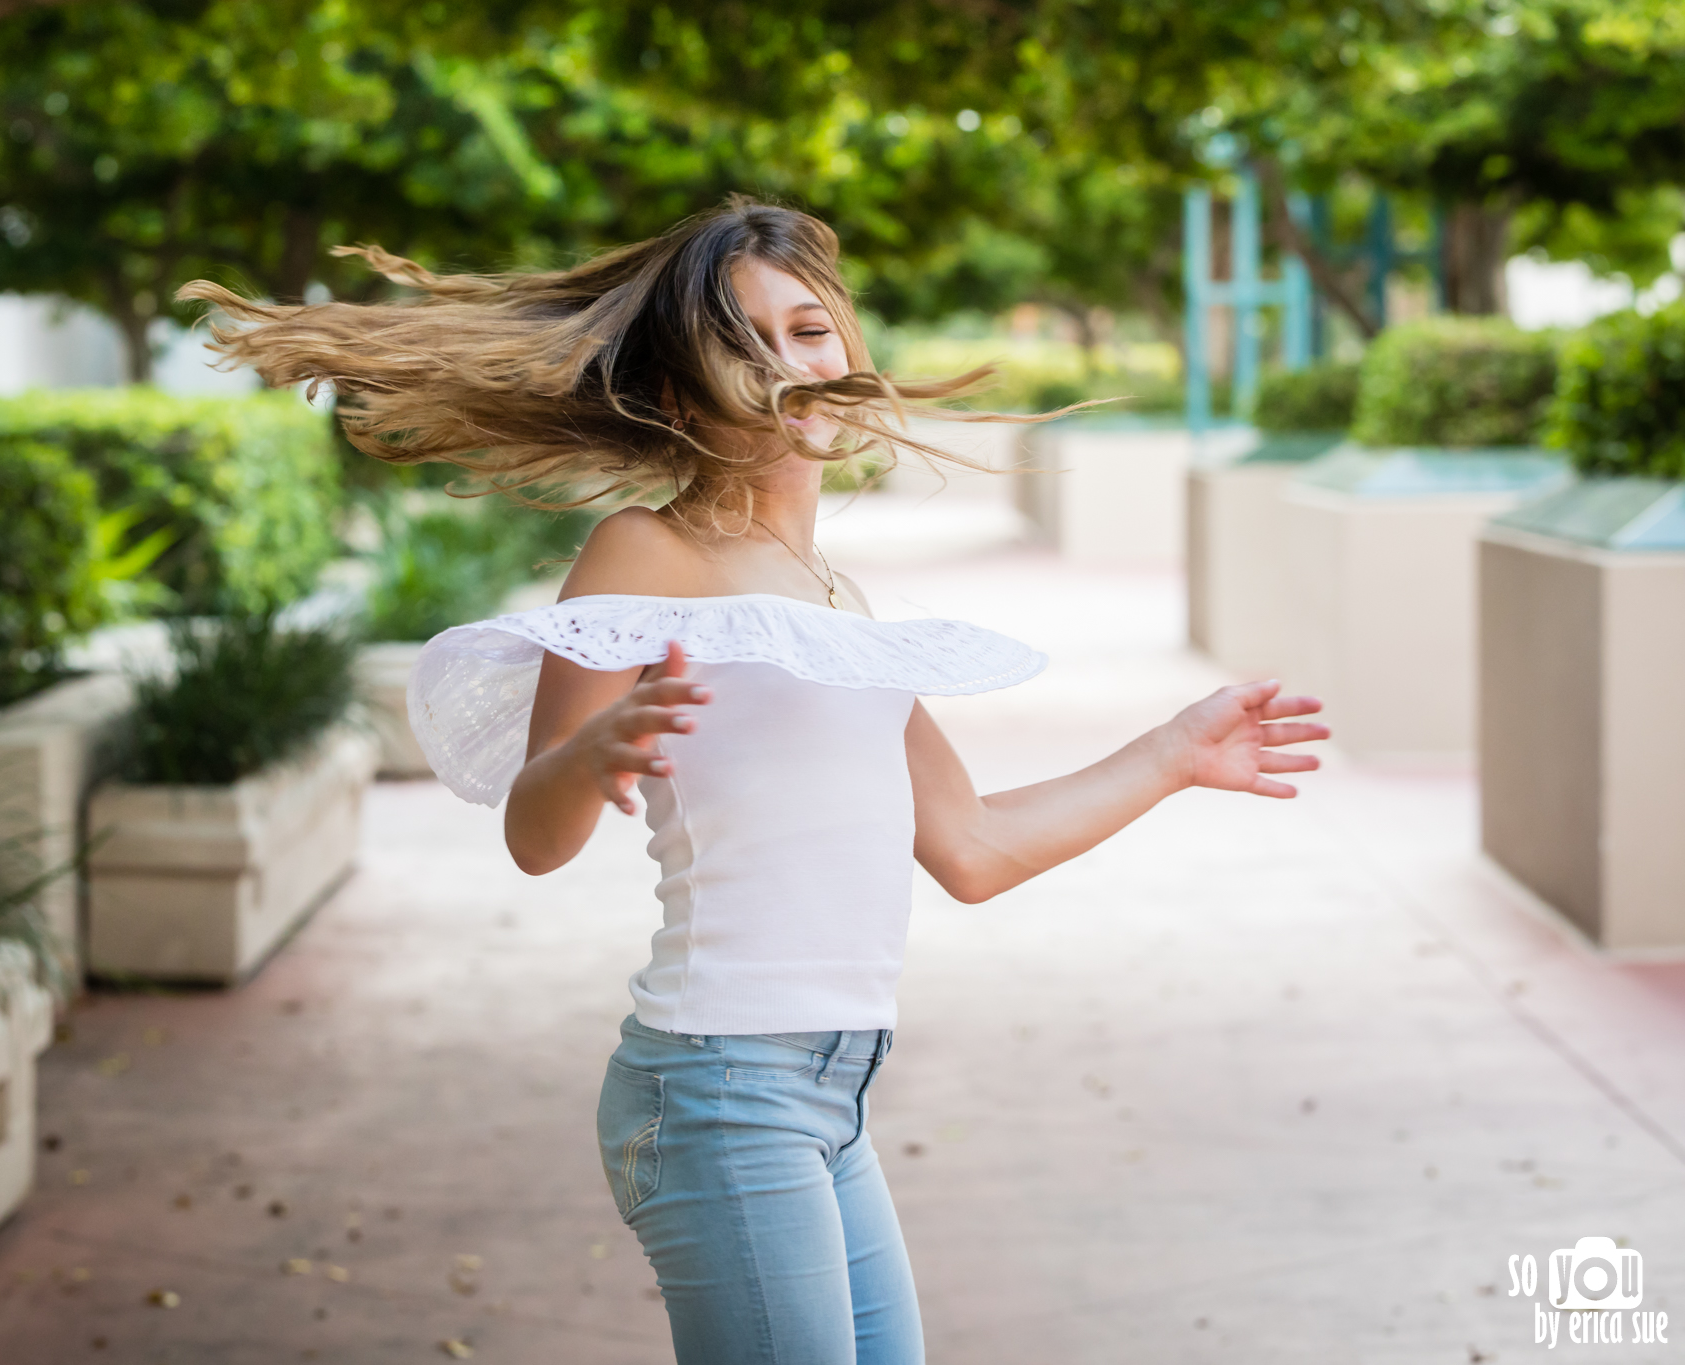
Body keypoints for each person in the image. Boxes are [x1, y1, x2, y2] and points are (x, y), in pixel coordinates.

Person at [181, 197, 1326, 1365]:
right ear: (680, 393)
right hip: (719, 1091)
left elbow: (970, 849)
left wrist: (1173, 756)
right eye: (743, 340)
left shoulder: (831, 596)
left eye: (810, 330)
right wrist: (590, 751)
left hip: (833, 1095)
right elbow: (537, 832)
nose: (790, 364)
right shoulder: (647, 549)